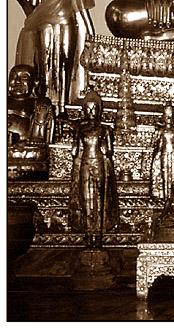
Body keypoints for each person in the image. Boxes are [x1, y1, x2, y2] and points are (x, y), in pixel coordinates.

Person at [68, 91, 119, 248]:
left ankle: (98, 232)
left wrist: (105, 146)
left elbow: (109, 152)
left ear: (99, 110)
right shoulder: (80, 129)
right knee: (85, 197)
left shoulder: (105, 130)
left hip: (98, 164)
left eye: (94, 108)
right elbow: (75, 151)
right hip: (85, 164)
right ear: (83, 110)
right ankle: (88, 231)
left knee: (98, 197)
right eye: (88, 109)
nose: (91, 112)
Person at [149, 102, 174, 202]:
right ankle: (166, 198)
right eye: (167, 116)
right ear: (163, 117)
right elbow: (155, 145)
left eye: (171, 116)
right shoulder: (161, 130)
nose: (169, 118)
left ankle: (173, 198)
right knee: (165, 175)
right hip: (164, 154)